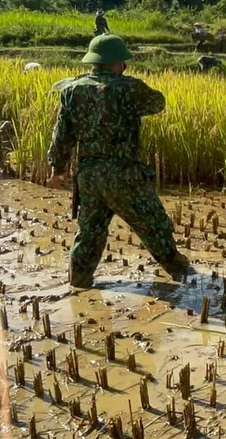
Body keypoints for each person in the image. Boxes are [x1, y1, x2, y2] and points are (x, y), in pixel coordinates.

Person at [46, 35, 189, 288]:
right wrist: (126, 83)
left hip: (89, 176)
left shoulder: (71, 90)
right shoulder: (130, 88)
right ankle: (181, 272)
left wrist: (57, 168)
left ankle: (78, 282)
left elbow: (62, 134)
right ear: (119, 62)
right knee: (154, 224)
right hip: (124, 175)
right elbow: (157, 103)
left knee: (89, 233)